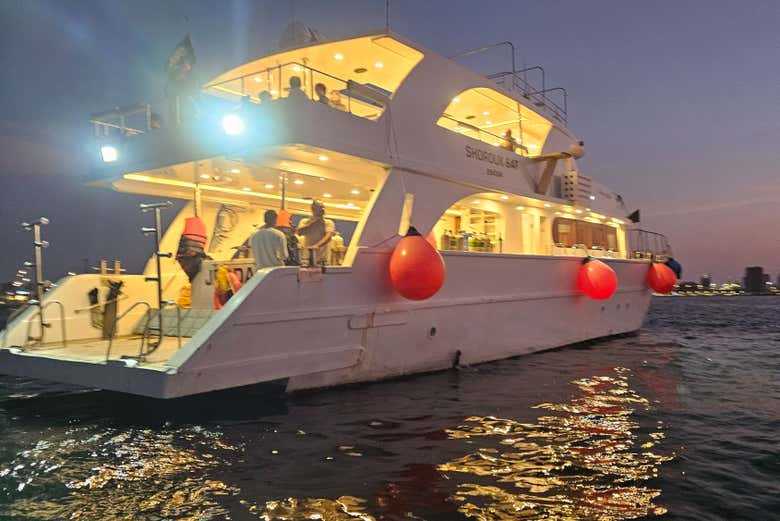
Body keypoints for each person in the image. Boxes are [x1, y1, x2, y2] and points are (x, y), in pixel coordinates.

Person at [296, 200, 335, 266]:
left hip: (322, 259)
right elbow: (299, 232)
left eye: (322, 207)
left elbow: (328, 237)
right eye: (319, 207)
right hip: (307, 257)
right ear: (313, 209)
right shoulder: (305, 221)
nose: (322, 209)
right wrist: (313, 223)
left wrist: (317, 246)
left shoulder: (328, 223)